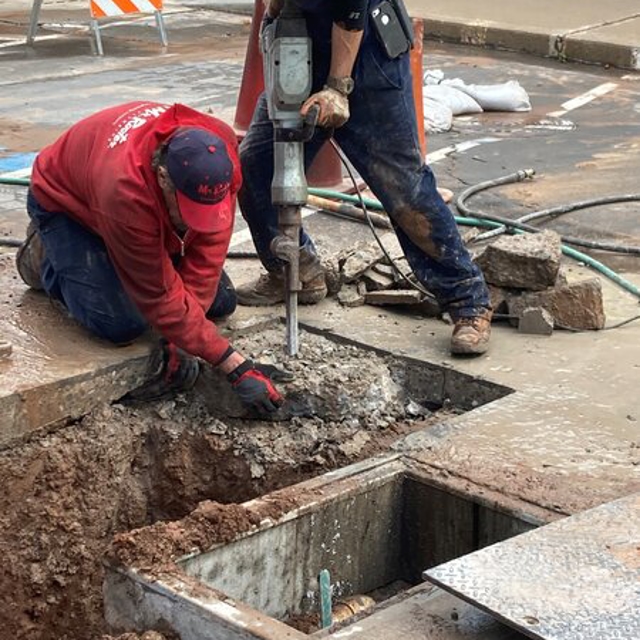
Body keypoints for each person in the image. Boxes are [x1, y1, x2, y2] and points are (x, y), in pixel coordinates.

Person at [237, 0, 493, 355]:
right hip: (301, 44)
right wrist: (276, 15)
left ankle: (467, 299)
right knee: (257, 164)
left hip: (369, 56)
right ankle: (295, 270)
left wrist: (338, 88)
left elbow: (351, 8)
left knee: (402, 187)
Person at [16, 101, 285, 413]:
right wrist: (233, 364)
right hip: (68, 205)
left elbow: (209, 251)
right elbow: (158, 296)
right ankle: (47, 253)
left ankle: (124, 253)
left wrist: (181, 338)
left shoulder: (219, 154)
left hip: (133, 210)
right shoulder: (125, 190)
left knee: (220, 301)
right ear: (162, 177)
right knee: (121, 324)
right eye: (188, 210)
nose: (194, 222)